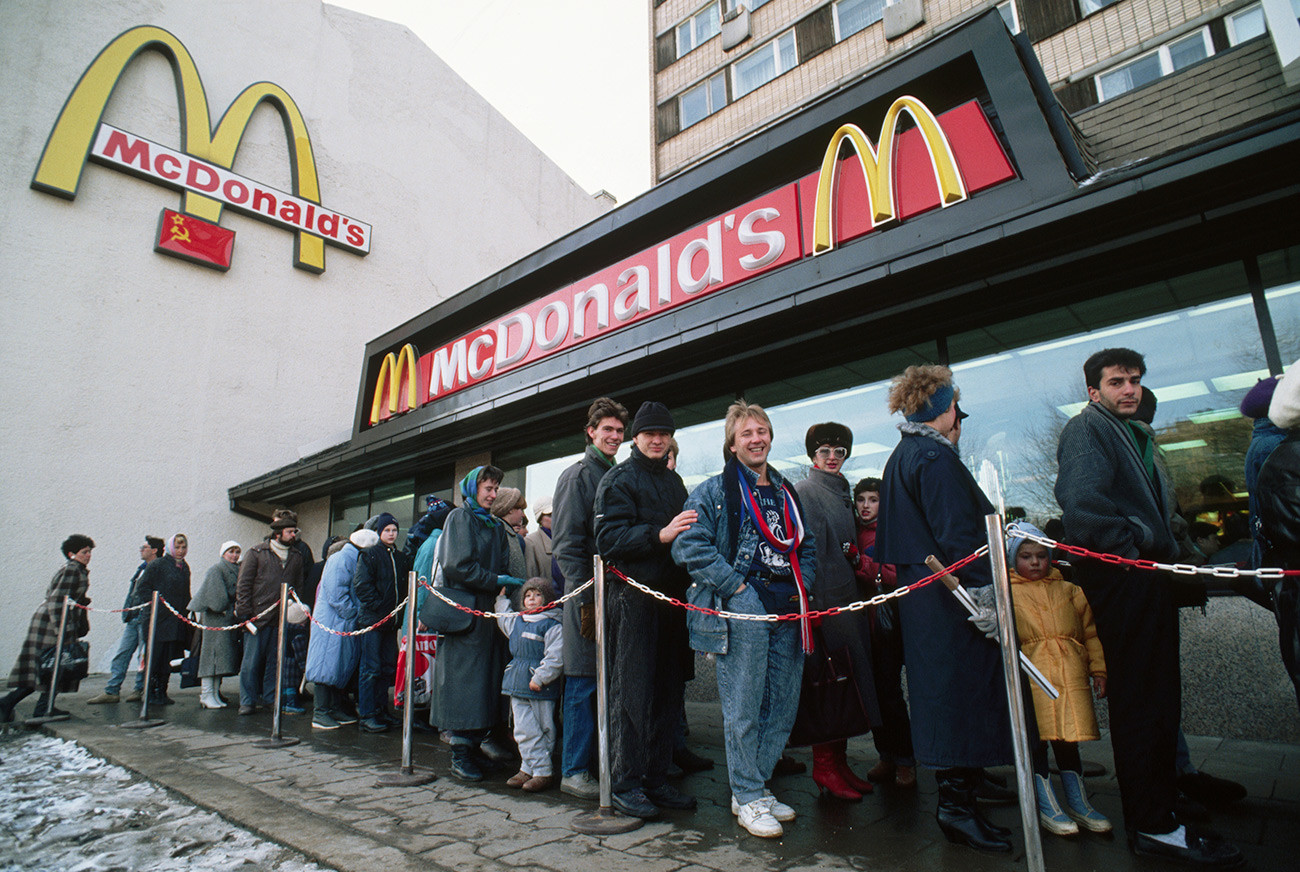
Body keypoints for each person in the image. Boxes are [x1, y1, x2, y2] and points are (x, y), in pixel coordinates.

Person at [1056, 347, 1242, 867]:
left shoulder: (1136, 433)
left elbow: (1161, 512)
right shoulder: (1087, 431)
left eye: (1134, 380)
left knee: (1160, 704)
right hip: (1126, 581)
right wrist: (1140, 552)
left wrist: (1175, 560)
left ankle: (1164, 814)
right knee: (1141, 707)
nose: (1129, 389)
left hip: (1148, 579)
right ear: (1094, 391)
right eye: (1117, 382)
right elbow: (1084, 510)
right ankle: (1154, 826)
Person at [875, 365, 1016, 853]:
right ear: (945, 409)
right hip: (952, 597)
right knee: (958, 695)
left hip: (926, 595)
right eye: (958, 408)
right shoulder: (933, 457)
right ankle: (956, 805)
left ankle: (967, 786)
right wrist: (985, 596)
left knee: (946, 692)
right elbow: (960, 535)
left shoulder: (904, 453)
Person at [672, 400, 816, 839]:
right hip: (744, 612)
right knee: (744, 708)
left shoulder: (788, 489)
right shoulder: (715, 491)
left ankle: (754, 784)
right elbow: (688, 546)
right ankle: (748, 795)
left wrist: (801, 589)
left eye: (762, 431)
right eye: (747, 434)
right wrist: (737, 588)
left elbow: (805, 548)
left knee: (782, 706)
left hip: (788, 609)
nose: (757, 439)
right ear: (732, 445)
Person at [593, 400, 699, 819]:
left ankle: (656, 779)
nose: (657, 440)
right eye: (649, 433)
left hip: (672, 601)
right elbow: (608, 540)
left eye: (663, 433)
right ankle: (625, 783)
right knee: (632, 693)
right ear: (635, 437)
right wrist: (660, 534)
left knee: (668, 693)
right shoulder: (618, 480)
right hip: (632, 600)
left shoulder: (675, 484)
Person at [793, 422, 881, 801]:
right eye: (825, 450)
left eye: (839, 451)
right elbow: (806, 555)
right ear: (812, 455)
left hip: (847, 603)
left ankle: (840, 763)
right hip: (827, 605)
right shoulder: (807, 491)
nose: (832, 457)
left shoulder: (841, 490)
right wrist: (812, 608)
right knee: (829, 688)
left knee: (848, 686)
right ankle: (825, 766)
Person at [1006, 524, 1111, 836]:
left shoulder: (1070, 590)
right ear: (1013, 559)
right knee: (1036, 743)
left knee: (1068, 740)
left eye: (1041, 555)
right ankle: (1047, 804)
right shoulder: (1007, 593)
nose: (1035, 562)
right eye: (1026, 556)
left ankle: (1079, 803)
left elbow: (1090, 632)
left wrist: (1099, 670)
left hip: (1068, 678)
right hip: (1031, 680)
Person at [552, 396, 629, 799]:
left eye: (619, 431)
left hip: (615, 595)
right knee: (582, 684)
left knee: (607, 683)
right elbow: (566, 546)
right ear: (591, 432)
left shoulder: (614, 474)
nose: (615, 436)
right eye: (608, 430)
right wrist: (586, 598)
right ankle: (574, 770)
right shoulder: (578, 475)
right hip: (588, 595)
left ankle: (601, 765)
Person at [430, 465, 524, 780]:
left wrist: (496, 582)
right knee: (463, 686)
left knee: (484, 684)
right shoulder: (460, 518)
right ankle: (460, 753)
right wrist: (494, 579)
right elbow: (457, 566)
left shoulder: (493, 525)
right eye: (488, 488)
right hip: (466, 615)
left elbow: (491, 564)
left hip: (486, 614)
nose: (493, 494)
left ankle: (471, 750)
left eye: (496, 488)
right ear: (474, 489)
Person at [852, 477, 915, 789]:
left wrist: (862, 563)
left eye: (873, 499)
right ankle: (886, 755)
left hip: (893, 623)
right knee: (875, 695)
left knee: (892, 696)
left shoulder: (892, 531)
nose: (866, 505)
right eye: (861, 499)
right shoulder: (853, 531)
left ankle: (906, 760)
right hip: (866, 625)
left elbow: (895, 573)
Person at [1, 535, 95, 722]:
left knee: (49, 667)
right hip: (51, 625)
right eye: (84, 552)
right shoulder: (72, 570)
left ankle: (30, 705)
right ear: (71, 554)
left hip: (52, 623)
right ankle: (35, 706)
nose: (88, 555)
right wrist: (65, 631)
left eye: (89, 552)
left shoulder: (78, 570)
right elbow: (58, 601)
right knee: (52, 665)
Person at [497, 577, 564, 792]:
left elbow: (555, 656)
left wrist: (540, 677)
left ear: (547, 598)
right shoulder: (518, 620)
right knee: (524, 728)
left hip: (540, 686)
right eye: (528, 595)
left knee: (544, 728)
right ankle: (537, 768)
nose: (532, 599)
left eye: (537, 595)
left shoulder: (552, 625)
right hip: (518, 683)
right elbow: (503, 619)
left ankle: (536, 770)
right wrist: (500, 600)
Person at [306, 528, 377, 730]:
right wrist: (354, 614)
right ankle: (320, 712)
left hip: (341, 622)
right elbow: (336, 595)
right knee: (325, 665)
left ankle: (334, 708)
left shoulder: (348, 558)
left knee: (338, 665)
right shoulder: (341, 560)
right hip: (333, 622)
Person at [236, 514, 305, 715]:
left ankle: (270, 699)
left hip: (281, 618)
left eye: (294, 531)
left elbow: (297, 587)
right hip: (258, 617)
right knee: (251, 663)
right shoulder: (256, 553)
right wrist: (245, 614)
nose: (293, 535)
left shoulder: (296, 556)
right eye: (290, 532)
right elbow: (244, 585)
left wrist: (297, 612)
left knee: (275, 663)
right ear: (277, 534)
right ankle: (247, 702)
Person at [87, 535, 164, 704]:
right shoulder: (142, 568)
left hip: (145, 618)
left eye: (144, 547)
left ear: (154, 550)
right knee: (123, 653)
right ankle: (112, 690)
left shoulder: (159, 568)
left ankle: (139, 689)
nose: (141, 550)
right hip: (133, 617)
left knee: (143, 657)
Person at [353, 512, 410, 732]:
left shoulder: (400, 557)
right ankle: (367, 714)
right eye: (387, 530)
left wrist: (396, 612)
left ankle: (381, 710)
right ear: (379, 532)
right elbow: (362, 586)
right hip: (374, 621)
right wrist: (379, 607)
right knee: (370, 668)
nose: (391, 534)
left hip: (390, 622)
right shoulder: (370, 555)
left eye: (394, 530)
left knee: (387, 667)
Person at [132, 534, 193, 706]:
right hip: (157, 621)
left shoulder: (184, 567)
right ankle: (150, 692)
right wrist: (156, 606)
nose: (180, 551)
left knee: (168, 658)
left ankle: (162, 691)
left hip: (175, 621)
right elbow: (142, 589)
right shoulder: (158, 565)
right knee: (155, 657)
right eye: (178, 547)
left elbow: (185, 592)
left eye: (183, 547)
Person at [188, 541, 243, 709]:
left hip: (226, 619)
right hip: (216, 619)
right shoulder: (216, 570)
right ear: (223, 553)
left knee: (221, 659)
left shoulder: (235, 569)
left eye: (237, 552)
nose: (234, 555)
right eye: (231, 552)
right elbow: (216, 598)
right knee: (211, 657)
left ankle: (214, 694)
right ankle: (206, 694)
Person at [524, 497, 560, 589]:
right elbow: (530, 579)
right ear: (540, 519)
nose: (554, 518)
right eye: (550, 515)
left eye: (556, 513)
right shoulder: (531, 542)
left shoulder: (565, 539)